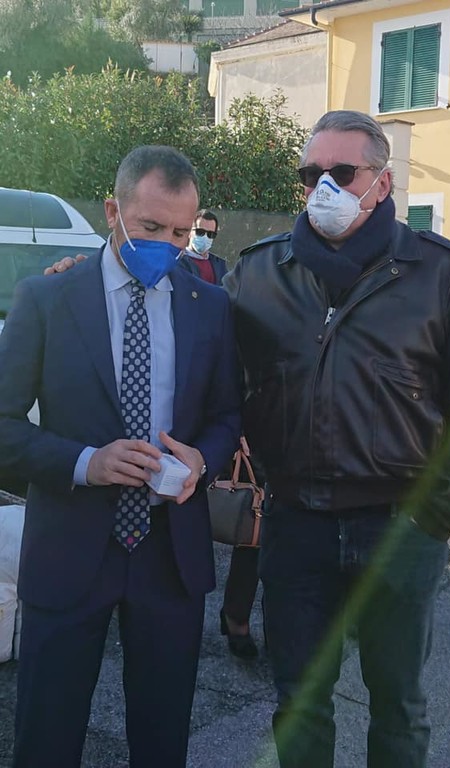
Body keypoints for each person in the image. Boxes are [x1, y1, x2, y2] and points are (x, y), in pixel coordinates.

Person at [222, 111, 450, 768]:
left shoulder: (438, 273)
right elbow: (196, 345)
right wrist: (81, 276)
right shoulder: (260, 273)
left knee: (398, 707)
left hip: (397, 526)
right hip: (296, 526)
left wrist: (432, 517)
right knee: (299, 703)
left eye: (341, 172)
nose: (322, 187)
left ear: (382, 183)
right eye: (310, 174)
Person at [0, 145, 241, 767]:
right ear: (113, 211)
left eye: (182, 233)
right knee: (46, 738)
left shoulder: (210, 307)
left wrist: (202, 463)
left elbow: (226, 416)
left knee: (162, 741)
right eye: (151, 227)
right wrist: (86, 462)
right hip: (69, 546)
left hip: (169, 553)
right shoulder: (47, 299)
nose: (167, 245)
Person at [180, 212, 261, 658]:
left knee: (263, 528)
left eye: (211, 234)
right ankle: (232, 616)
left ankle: (244, 618)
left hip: (277, 430)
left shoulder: (224, 269)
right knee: (243, 518)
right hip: (233, 424)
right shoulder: (188, 272)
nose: (204, 239)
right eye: (199, 231)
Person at [179, 208, 228, 284]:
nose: (205, 237)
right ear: (189, 232)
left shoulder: (220, 265)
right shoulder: (178, 262)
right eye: (200, 232)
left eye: (210, 234)